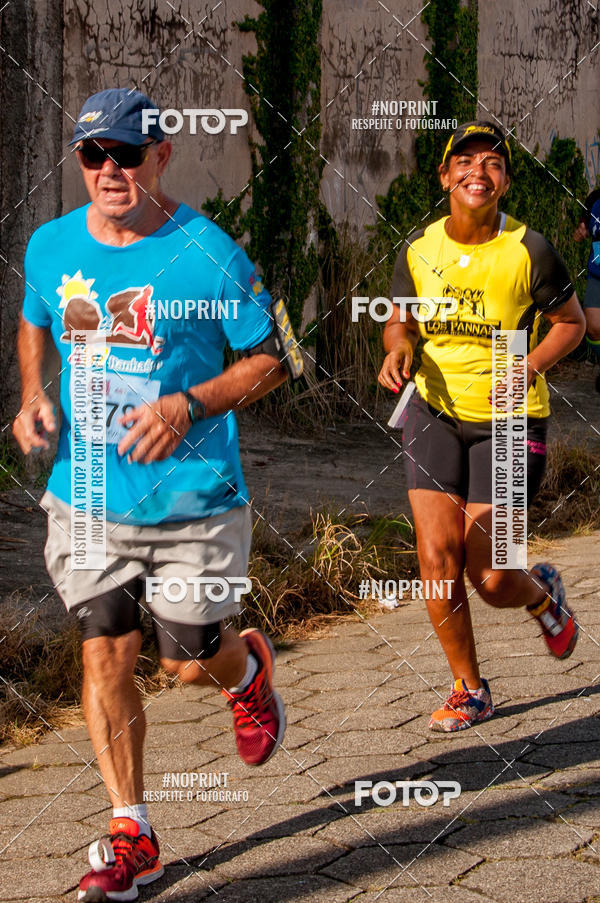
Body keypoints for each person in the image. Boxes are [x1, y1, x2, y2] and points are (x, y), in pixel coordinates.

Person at [12, 88, 298, 902]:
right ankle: (132, 832)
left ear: (161, 156)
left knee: (185, 660)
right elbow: (35, 318)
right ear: (79, 160)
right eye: (93, 154)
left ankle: (246, 673)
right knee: (104, 647)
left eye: (127, 154)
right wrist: (32, 394)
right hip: (89, 491)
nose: (110, 169)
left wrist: (187, 405)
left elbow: (274, 358)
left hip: (194, 499)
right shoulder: (50, 245)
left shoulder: (206, 252)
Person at [378, 121, 586, 733]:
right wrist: (398, 347)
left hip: (510, 421)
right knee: (436, 558)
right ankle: (469, 689)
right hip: (433, 412)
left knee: (492, 578)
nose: (478, 171)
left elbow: (572, 324)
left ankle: (540, 594)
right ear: (445, 175)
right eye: (464, 161)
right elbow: (398, 320)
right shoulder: (419, 249)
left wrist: (529, 366)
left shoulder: (529, 249)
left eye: (493, 163)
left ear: (506, 181)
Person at [573, 184, 600, 391]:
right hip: (597, 272)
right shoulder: (595, 200)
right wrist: (582, 229)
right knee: (592, 327)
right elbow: (585, 224)